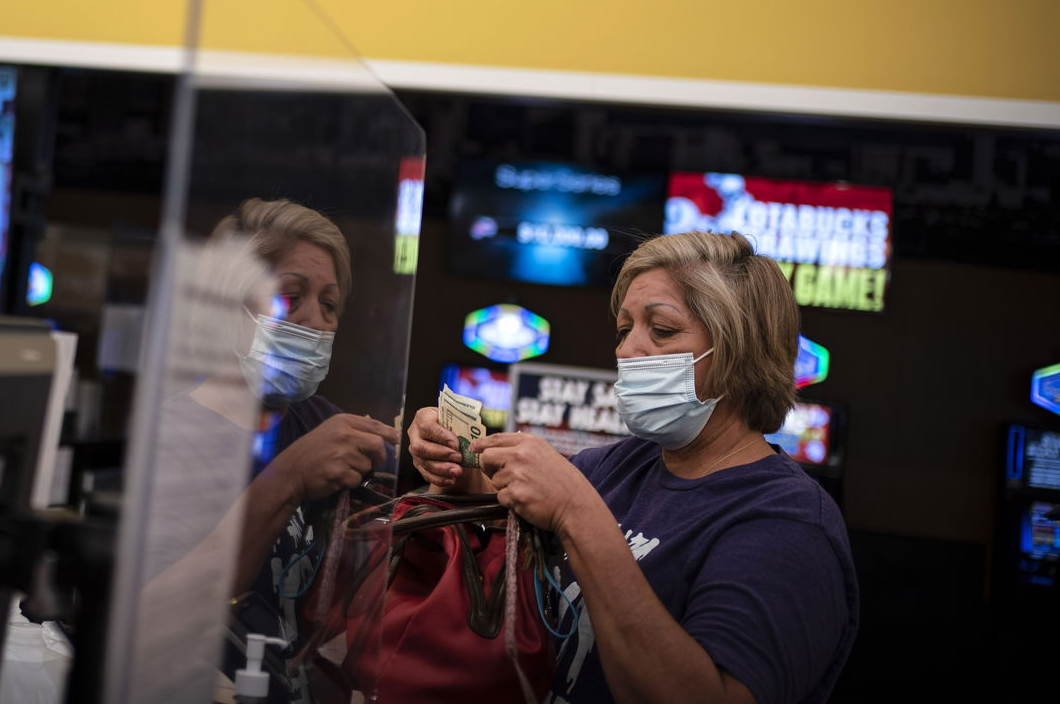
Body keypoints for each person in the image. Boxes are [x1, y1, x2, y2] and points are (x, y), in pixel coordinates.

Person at [409, 231, 858, 704]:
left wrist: (577, 514)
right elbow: (499, 490)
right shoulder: (622, 464)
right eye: (625, 330)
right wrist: (452, 456)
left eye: (661, 329)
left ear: (739, 350)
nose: (626, 350)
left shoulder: (789, 523)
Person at [143, 198, 398, 703]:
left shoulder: (317, 419)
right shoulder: (174, 436)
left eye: (329, 305)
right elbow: (153, 615)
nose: (316, 321)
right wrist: (289, 478)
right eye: (290, 296)